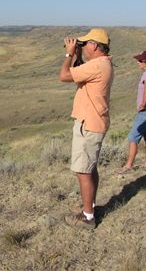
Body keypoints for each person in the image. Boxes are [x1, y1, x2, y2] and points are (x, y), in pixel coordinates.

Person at [59, 28, 114, 229]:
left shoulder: (97, 65)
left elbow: (64, 75)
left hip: (88, 124)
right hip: (94, 122)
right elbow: (80, 72)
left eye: (84, 44)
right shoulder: (102, 63)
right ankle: (89, 206)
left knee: (83, 171)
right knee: (90, 168)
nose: (81, 46)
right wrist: (79, 55)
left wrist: (69, 54)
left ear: (94, 45)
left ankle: (88, 217)